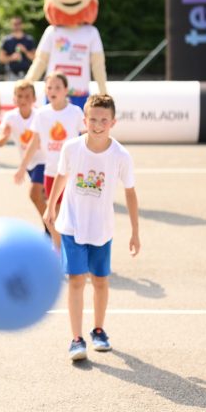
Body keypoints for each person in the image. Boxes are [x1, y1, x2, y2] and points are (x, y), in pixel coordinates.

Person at [44, 94, 139, 360]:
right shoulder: (72, 148)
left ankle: (99, 330)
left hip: (101, 228)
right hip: (72, 225)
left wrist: (135, 231)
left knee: (99, 281)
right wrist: (50, 206)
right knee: (76, 281)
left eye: (103, 120)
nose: (97, 125)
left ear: (113, 122)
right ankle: (76, 339)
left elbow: (130, 192)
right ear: (84, 120)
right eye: (93, 119)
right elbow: (61, 177)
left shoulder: (120, 155)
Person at [15, 72, 84, 250]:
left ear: (66, 90)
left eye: (57, 87)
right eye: (49, 87)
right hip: (51, 172)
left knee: (68, 215)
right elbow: (34, 142)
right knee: (53, 216)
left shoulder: (75, 112)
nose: (53, 91)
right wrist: (22, 167)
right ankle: (59, 250)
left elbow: (85, 138)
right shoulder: (42, 114)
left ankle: (71, 250)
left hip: (71, 173)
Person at [0, 78, 46, 224]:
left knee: (34, 194)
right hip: (29, 163)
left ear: (34, 99)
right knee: (42, 198)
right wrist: (5, 135)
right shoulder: (10, 117)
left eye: (27, 96)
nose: (23, 99)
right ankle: (51, 226)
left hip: (44, 160)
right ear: (14, 98)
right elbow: (0, 142)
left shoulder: (40, 115)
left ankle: (50, 227)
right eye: (19, 96)